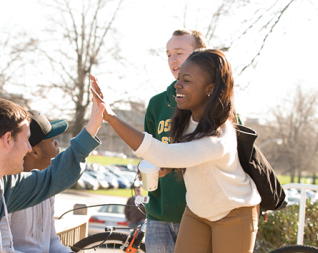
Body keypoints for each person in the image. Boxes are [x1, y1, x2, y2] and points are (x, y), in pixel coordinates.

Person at [90, 48, 261, 253]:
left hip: (234, 213)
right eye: (179, 78)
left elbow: (162, 153)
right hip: (197, 211)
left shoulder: (219, 135)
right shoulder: (185, 121)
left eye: (186, 80)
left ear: (210, 88)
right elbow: (185, 158)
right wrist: (170, 168)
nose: (177, 85)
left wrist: (110, 117)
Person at [0, 98, 104, 251]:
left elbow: (54, 178)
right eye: (26, 139)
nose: (28, 148)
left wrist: (93, 125)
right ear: (8, 139)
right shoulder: (9, 185)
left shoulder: (7, 185)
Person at [142, 29, 207, 253]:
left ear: (200, 55)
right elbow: (146, 151)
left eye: (179, 52)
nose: (173, 59)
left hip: (200, 214)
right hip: (158, 215)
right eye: (169, 54)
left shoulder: (216, 103)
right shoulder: (157, 104)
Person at [0, 110, 73, 252]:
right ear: (34, 152)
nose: (57, 142)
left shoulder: (47, 188)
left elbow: (51, 241)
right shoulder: (10, 189)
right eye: (51, 140)